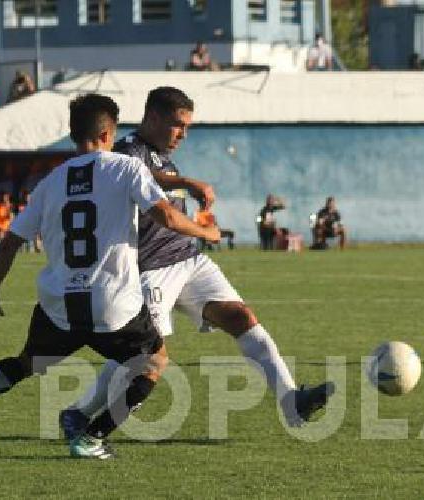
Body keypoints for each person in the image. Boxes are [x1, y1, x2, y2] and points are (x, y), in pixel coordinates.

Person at [0, 92, 221, 462]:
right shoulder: (126, 168)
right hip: (113, 305)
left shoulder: (50, 183)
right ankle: (92, 437)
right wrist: (205, 232)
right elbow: (165, 215)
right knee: (154, 361)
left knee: (24, 364)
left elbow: (9, 244)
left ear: (74, 134)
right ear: (108, 134)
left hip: (60, 304)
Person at [58, 87, 334, 441]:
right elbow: (138, 175)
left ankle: (291, 400)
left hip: (188, 259)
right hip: (150, 269)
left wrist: (198, 221)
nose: (182, 135)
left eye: (187, 127)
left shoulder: (163, 158)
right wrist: (187, 182)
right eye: (177, 125)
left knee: (242, 318)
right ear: (153, 117)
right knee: (143, 355)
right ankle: (79, 413)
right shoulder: (127, 151)